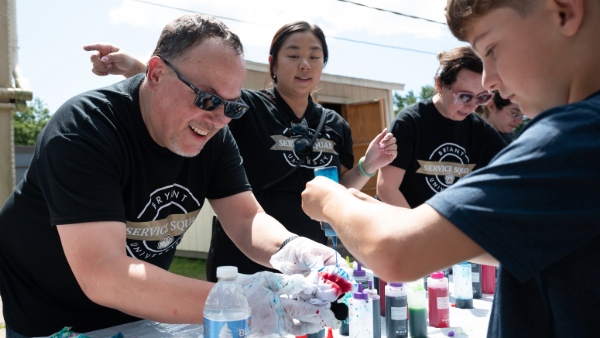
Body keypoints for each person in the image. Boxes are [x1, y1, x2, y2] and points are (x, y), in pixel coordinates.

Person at [0, 14, 344, 337]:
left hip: (140, 309)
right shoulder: (85, 129)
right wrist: (240, 302)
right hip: (49, 318)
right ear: (155, 74)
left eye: (232, 107)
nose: (217, 119)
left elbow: (246, 218)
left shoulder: (215, 136)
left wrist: (293, 248)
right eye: (207, 99)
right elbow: (103, 274)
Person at [301, 0, 600, 336]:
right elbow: (511, 244)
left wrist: (330, 198)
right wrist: (377, 211)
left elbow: (397, 253)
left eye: (491, 48)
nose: (491, 81)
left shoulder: (573, 139)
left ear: (565, 11)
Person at [83, 21, 397, 282]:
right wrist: (134, 67)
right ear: (273, 62)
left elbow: (337, 192)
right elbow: (191, 92)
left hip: (306, 255)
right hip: (245, 256)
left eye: (315, 57)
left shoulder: (334, 124)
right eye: (293, 55)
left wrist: (369, 165)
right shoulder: (246, 106)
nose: (305, 64)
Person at [376, 46, 506, 209]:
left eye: (482, 98)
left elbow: (512, 174)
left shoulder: (481, 131)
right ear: (440, 84)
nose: (472, 106)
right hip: (408, 225)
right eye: (464, 97)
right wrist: (420, 230)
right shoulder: (410, 122)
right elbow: (386, 188)